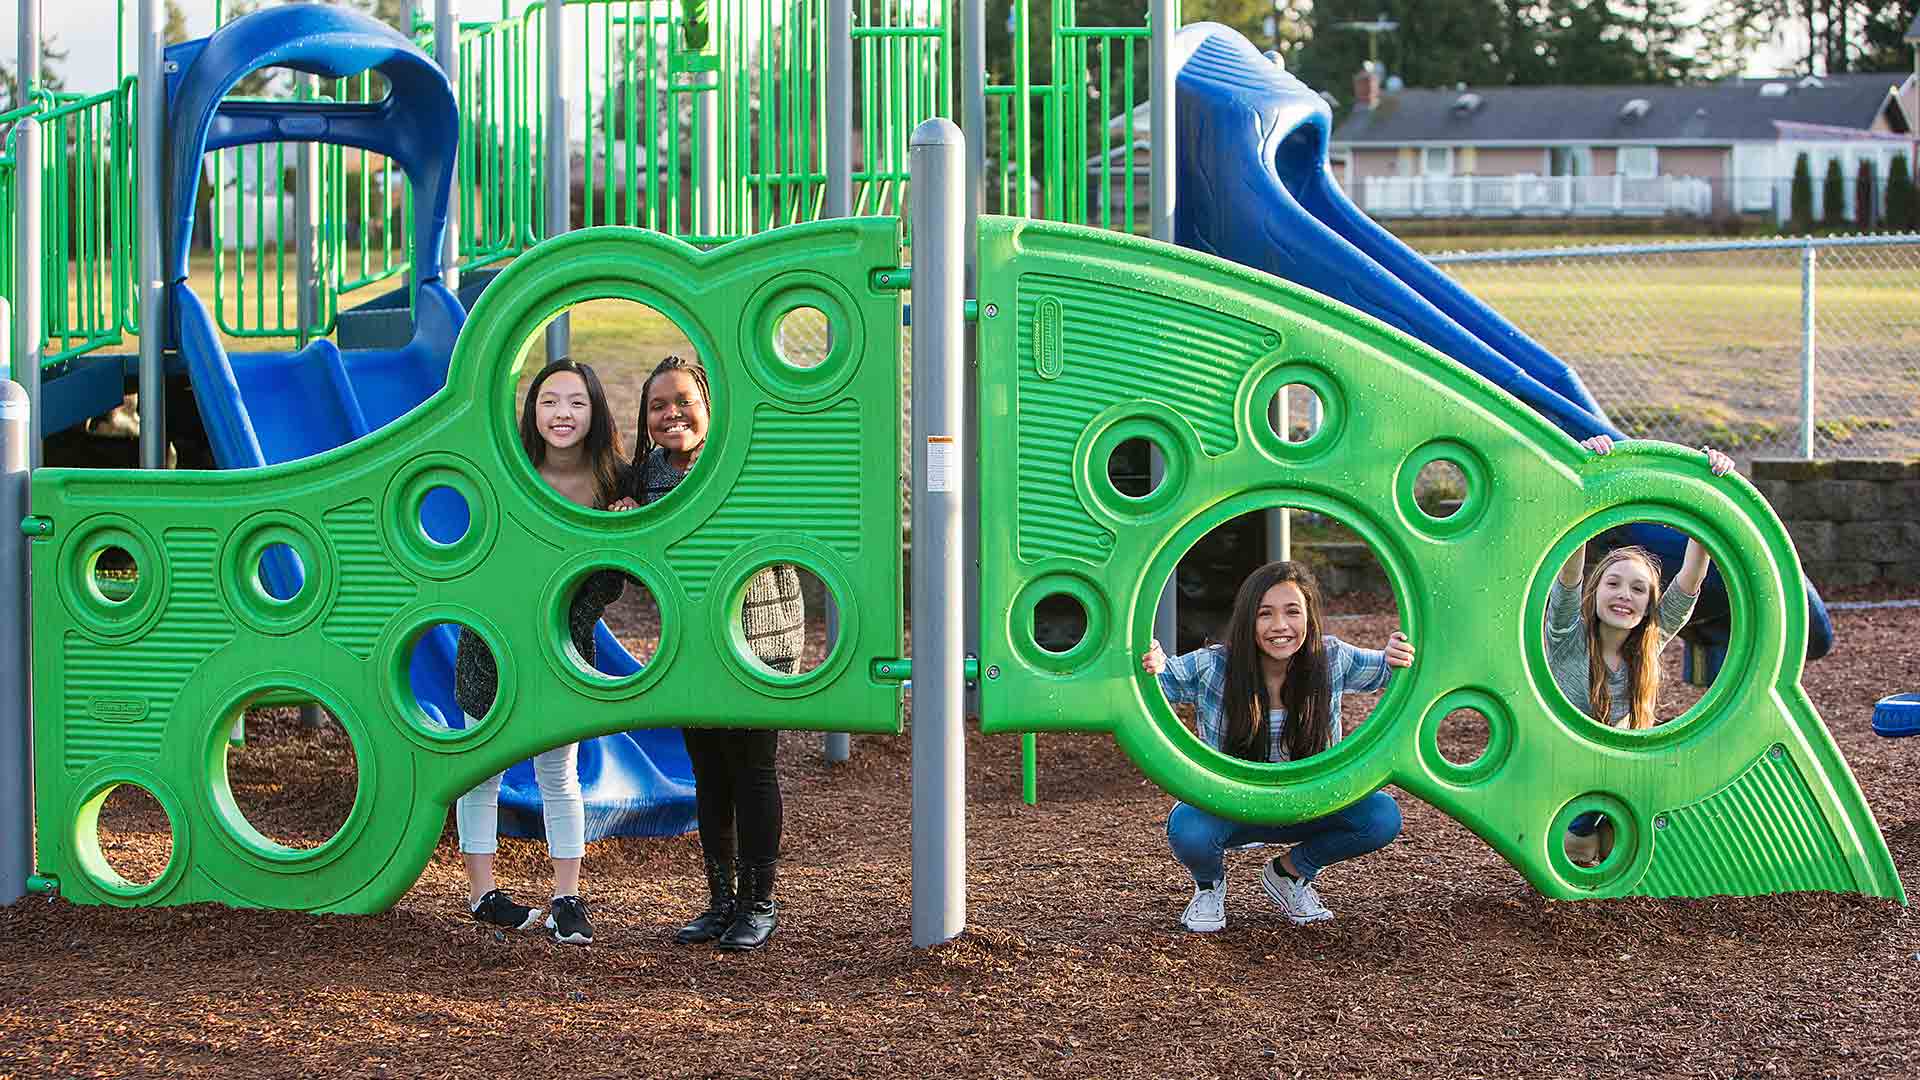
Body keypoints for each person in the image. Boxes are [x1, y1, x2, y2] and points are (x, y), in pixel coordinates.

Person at [626, 355, 805, 951]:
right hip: (691, 638)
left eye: (684, 401)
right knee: (707, 770)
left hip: (761, 631)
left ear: (709, 405)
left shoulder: (740, 456)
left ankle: (759, 903)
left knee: (752, 767)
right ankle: (721, 901)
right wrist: (627, 518)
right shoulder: (648, 474)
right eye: (658, 405)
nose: (671, 414)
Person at [452, 360, 628, 945]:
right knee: (482, 770)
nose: (562, 414)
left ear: (595, 412)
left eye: (576, 402)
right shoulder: (511, 472)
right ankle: (483, 894)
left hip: (563, 647)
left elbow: (615, 580)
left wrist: (625, 528)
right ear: (531, 412)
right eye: (549, 401)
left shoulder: (614, 485)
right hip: (495, 643)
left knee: (559, 771)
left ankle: (567, 898)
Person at [1142, 560, 1413, 933]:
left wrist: (1397, 652)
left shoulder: (1331, 658)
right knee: (1188, 827)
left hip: (1311, 805)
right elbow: (1158, 681)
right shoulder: (1214, 666)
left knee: (1381, 816)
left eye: (1292, 612)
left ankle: (1292, 872)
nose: (1280, 626)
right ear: (1247, 620)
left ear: (1309, 618)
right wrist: (1151, 660)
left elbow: (1387, 668)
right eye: (1265, 613)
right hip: (1232, 806)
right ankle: (1209, 887)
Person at [1551, 435, 1734, 866]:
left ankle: (1601, 841)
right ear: (1594, 592)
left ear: (1650, 605)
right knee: (1582, 839)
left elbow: (1691, 575)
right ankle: (1582, 839)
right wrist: (1589, 472)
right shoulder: (1565, 635)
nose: (1624, 595)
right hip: (1563, 782)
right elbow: (1572, 563)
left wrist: (1708, 482)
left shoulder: (1651, 641)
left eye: (1638, 589)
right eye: (1613, 583)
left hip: (1622, 780)